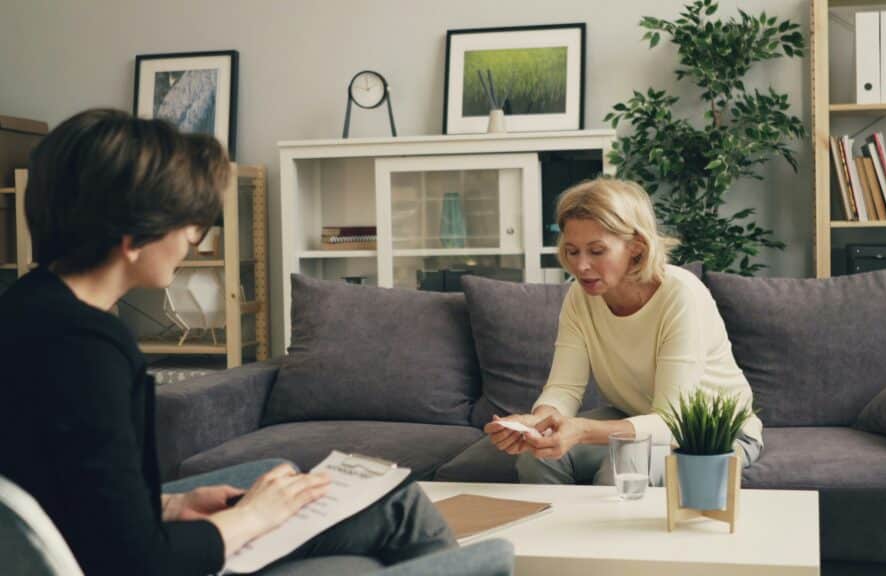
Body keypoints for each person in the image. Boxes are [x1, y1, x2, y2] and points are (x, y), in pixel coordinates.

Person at [0, 109, 511, 575]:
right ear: (133, 237)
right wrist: (248, 521)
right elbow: (138, 560)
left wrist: (171, 506)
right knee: (474, 558)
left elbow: (56, 488)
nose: (192, 242)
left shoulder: (25, 310)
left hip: (77, 546)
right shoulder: (90, 352)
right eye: (189, 226)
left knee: (306, 487)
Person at [484, 178, 763, 486]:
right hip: (634, 417)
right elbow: (564, 388)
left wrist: (583, 430)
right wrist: (537, 424)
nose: (582, 266)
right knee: (538, 458)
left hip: (711, 432)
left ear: (636, 247)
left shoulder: (680, 295)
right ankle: (554, 535)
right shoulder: (579, 297)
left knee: (623, 471)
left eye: (597, 251)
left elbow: (672, 421)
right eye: (572, 251)